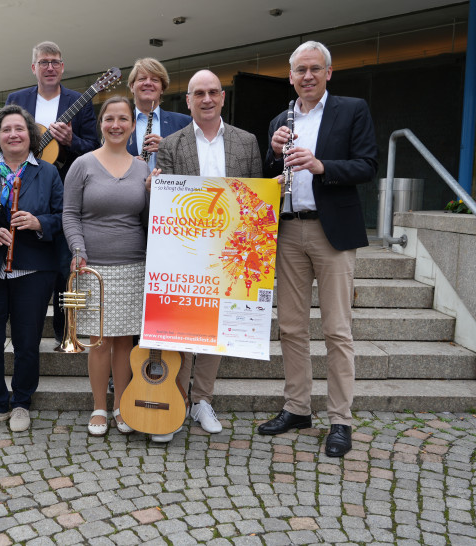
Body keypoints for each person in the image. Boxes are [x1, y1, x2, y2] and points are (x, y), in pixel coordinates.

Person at [257, 41, 378, 458]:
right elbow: (270, 174)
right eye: (299, 70)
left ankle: (340, 419)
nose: (307, 76)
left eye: (315, 68)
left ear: (329, 72)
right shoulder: (281, 118)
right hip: (288, 231)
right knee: (291, 327)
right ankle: (297, 408)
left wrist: (322, 165)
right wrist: (273, 156)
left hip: (333, 232)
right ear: (290, 76)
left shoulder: (351, 109)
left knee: (336, 330)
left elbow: (367, 165)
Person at [153, 70, 262, 443]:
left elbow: (254, 201)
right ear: (187, 100)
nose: (207, 99)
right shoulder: (171, 143)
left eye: (213, 92)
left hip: (230, 254)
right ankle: (176, 401)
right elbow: (163, 200)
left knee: (217, 332)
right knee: (182, 330)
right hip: (185, 251)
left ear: (223, 97)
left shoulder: (247, 143)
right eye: (198, 93)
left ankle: (203, 400)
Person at [0, 41, 99, 344]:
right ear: (34, 68)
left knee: (61, 264)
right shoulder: (17, 99)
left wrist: (71, 141)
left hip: (62, 192)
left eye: (55, 61)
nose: (50, 67)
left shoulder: (78, 101)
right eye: (44, 62)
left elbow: (94, 148)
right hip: (13, 198)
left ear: (63, 67)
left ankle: (63, 331)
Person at [0, 104, 63, 434]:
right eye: (6, 129)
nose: (13, 134)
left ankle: (21, 402)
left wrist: (39, 222)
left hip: (33, 271)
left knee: (26, 342)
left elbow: (64, 216)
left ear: (30, 135)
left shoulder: (47, 172)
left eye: (19, 129)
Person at [63, 96, 149, 436]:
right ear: (101, 123)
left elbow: (146, 218)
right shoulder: (82, 164)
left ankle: (121, 406)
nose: (116, 125)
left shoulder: (143, 168)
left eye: (123, 119)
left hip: (133, 265)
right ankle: (99, 406)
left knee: (125, 342)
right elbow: (69, 213)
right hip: (92, 266)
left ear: (131, 124)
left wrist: (154, 192)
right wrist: (78, 249)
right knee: (98, 342)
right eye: (109, 118)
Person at [126, 57, 192, 168]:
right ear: (132, 86)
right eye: (142, 79)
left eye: (155, 80)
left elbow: (195, 161)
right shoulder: (119, 124)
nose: (148, 83)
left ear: (162, 89)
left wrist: (168, 147)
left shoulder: (184, 122)